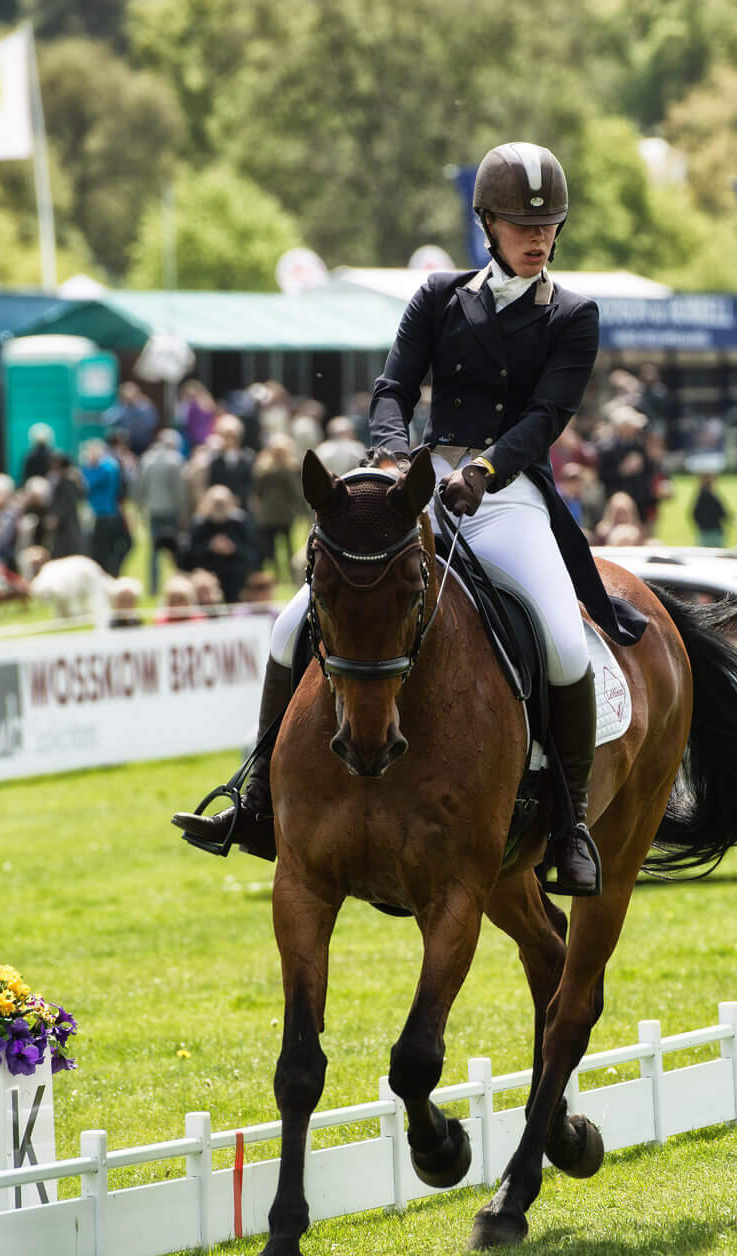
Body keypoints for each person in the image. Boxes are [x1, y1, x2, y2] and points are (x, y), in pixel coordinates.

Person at [177, 140, 643, 898]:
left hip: (509, 491)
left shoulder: (573, 315)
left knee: (562, 638)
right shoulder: (438, 296)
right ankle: (258, 796)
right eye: (522, 225)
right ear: (487, 224)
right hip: (419, 480)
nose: (538, 237)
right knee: (292, 620)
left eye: (549, 224)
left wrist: (486, 470)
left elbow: (547, 413)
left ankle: (568, 827)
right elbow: (393, 387)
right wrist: (394, 459)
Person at [187, 485, 258, 606]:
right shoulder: (200, 524)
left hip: (234, 574)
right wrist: (210, 547)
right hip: (206, 573)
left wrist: (233, 548)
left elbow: (252, 552)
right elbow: (189, 555)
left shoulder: (239, 523)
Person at [138, 429, 189, 595]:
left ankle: (153, 588)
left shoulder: (147, 459)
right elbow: (179, 491)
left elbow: (141, 487)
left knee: (153, 551)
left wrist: (142, 509)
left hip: (153, 510)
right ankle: (177, 584)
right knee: (176, 551)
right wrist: (183, 513)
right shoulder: (176, 460)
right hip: (171, 511)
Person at [251, 435, 305, 581]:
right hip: (274, 513)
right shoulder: (267, 468)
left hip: (280, 513)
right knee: (275, 547)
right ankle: (279, 573)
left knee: (285, 545)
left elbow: (295, 491)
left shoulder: (268, 468)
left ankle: (285, 573)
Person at [81, 438, 133, 578]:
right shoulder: (111, 466)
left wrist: (89, 467)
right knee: (104, 551)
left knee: (104, 552)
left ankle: (110, 574)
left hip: (103, 515)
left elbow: (86, 485)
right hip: (105, 514)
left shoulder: (104, 469)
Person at [691, 470, 729, 548]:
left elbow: (694, 514)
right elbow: (722, 512)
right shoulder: (710, 495)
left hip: (705, 530)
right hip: (713, 530)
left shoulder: (701, 495)